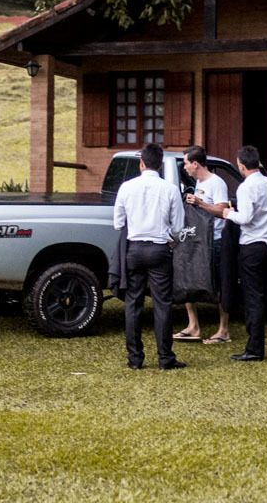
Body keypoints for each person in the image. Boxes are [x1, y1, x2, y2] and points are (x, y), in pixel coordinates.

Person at [114, 142, 187, 370]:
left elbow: (118, 223)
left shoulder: (126, 187)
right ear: (160, 165)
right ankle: (165, 358)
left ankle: (135, 358)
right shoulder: (170, 189)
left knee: (133, 303)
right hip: (159, 249)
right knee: (162, 304)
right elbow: (178, 226)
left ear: (141, 163)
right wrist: (170, 237)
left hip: (134, 249)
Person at [219, 145, 267, 361]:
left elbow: (246, 218)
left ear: (241, 165)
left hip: (252, 246)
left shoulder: (245, 187)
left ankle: (254, 348)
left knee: (253, 298)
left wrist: (229, 214)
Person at [173, 145, 232, 344]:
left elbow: (222, 211)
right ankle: (193, 326)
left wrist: (200, 203)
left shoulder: (217, 183)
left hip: (215, 240)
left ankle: (223, 330)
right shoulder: (198, 182)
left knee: (218, 283)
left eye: (187, 163)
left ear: (196, 163)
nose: (185, 168)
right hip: (197, 239)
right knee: (188, 277)